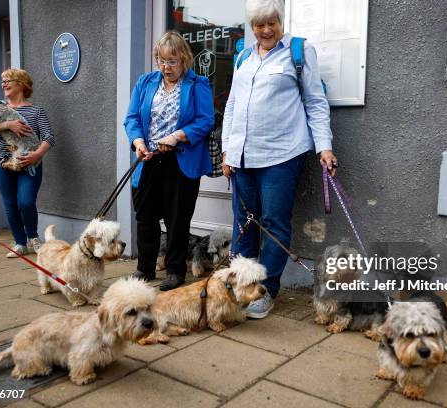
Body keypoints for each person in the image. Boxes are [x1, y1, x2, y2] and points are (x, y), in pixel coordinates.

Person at [222, 0, 338, 318]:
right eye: (259, 25)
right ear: (252, 27)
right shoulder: (244, 56)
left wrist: (323, 147)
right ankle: (240, 286)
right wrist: (228, 152)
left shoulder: (298, 52)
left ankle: (265, 291)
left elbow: (315, 101)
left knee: (273, 224)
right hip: (243, 157)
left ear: (280, 20)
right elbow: (232, 106)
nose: (265, 30)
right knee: (244, 226)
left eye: (271, 22)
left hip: (280, 156)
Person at [124, 31, 214, 291]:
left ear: (184, 59)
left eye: (172, 61)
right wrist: (138, 142)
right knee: (145, 215)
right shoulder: (145, 82)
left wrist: (177, 136)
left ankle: (175, 270)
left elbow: (206, 120)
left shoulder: (198, 84)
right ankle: (145, 267)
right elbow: (132, 118)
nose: (166, 67)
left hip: (179, 160)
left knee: (177, 219)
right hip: (148, 158)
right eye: (161, 60)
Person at [0, 68, 55, 258]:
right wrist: (8, 124)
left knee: (26, 202)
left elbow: (49, 136)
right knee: (10, 204)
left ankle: (33, 237)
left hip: (30, 164)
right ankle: (20, 243)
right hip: (2, 162)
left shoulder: (36, 111)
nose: (4, 84)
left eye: (8, 80)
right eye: (2, 80)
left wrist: (37, 155)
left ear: (21, 83)